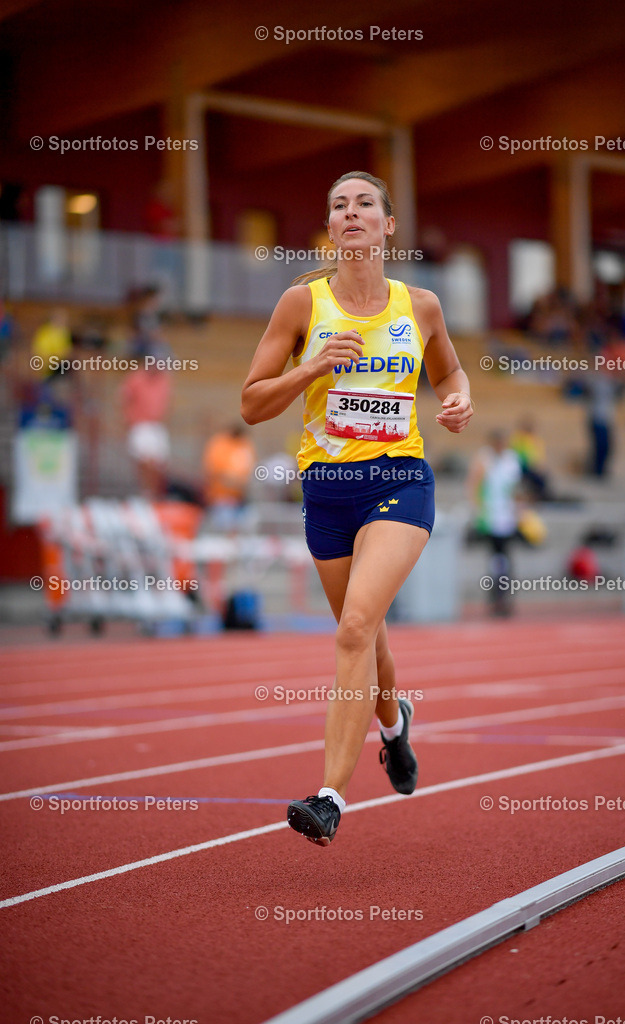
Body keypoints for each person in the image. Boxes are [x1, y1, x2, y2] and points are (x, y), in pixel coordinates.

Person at [241, 171, 473, 846]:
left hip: (399, 480)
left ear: (386, 225)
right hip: (327, 495)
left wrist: (458, 399)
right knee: (368, 640)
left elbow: (449, 373)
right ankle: (394, 726)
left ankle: (329, 797)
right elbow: (252, 404)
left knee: (352, 630)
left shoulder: (420, 306)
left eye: (363, 203)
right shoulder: (300, 305)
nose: (351, 212)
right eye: (338, 204)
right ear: (330, 225)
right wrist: (309, 369)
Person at [468, 430, 522, 617]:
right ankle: (495, 598)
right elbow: (475, 483)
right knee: (495, 560)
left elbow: (515, 488)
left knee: (505, 560)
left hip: (507, 518)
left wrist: (518, 510)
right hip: (490, 517)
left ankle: (505, 597)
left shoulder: (511, 459)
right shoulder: (484, 458)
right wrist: (477, 509)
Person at [120, 360, 172, 499]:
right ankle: (145, 492)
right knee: (145, 461)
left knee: (160, 463)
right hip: (140, 424)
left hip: (156, 425)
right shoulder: (136, 378)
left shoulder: (163, 379)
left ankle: (155, 494)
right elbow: (125, 398)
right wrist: (128, 419)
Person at [203, 422, 256, 527]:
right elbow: (214, 472)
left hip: (242, 499)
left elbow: (250, 469)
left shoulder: (244, 444)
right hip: (221, 499)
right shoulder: (219, 444)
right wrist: (231, 481)